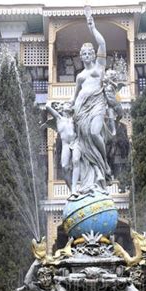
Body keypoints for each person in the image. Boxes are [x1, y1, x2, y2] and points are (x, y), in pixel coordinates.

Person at [68, 10, 112, 194]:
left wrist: (92, 27)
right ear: (81, 56)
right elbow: (75, 95)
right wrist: (70, 106)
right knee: (85, 145)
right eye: (83, 53)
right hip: (82, 111)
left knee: (95, 133)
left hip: (98, 106)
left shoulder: (100, 68)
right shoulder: (80, 76)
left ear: (94, 55)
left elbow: (102, 43)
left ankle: (104, 164)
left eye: (89, 53)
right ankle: (93, 177)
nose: (86, 55)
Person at [45, 101, 81, 195]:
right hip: (65, 144)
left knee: (76, 161)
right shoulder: (58, 118)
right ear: (61, 108)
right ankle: (71, 189)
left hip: (75, 142)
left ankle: (74, 188)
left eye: (70, 104)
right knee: (64, 167)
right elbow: (47, 106)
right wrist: (51, 102)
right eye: (66, 104)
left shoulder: (73, 119)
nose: (69, 105)